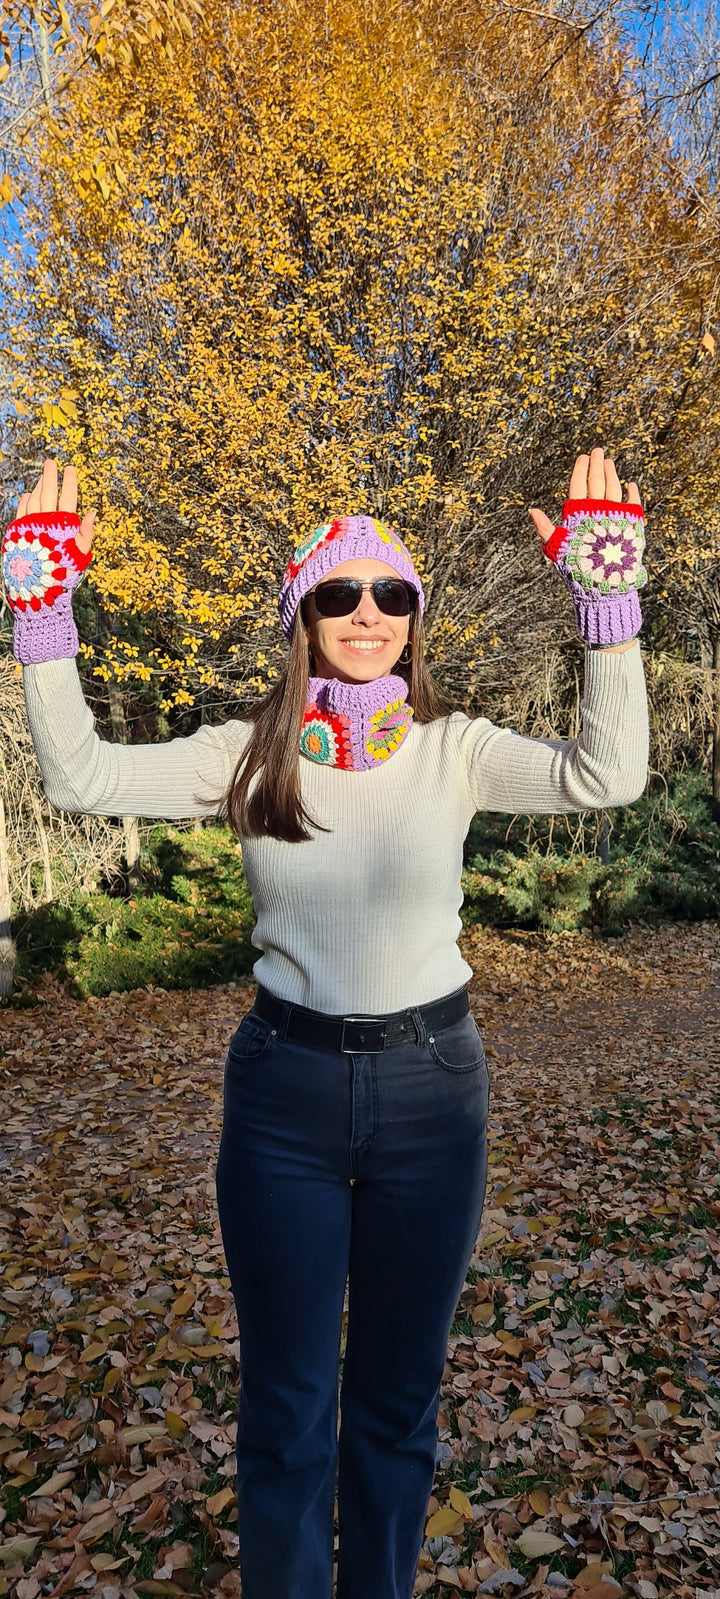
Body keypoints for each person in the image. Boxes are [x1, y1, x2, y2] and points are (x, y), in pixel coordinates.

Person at [2, 448, 649, 1599]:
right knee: (289, 1406)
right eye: (340, 593)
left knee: (398, 1405)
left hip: (432, 1091)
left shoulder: (457, 751)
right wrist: (44, 623)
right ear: (301, 614)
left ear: (414, 616)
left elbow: (610, 778)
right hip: (284, 1099)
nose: (368, 614)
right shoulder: (246, 759)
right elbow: (83, 782)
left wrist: (608, 614)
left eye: (392, 594)